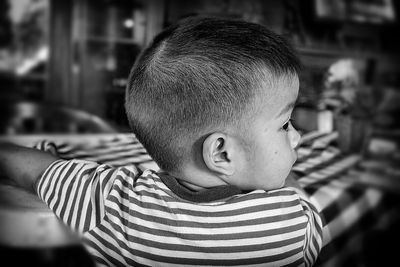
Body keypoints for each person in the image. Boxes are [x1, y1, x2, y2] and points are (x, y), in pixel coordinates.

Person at [0, 16, 323, 266]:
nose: (296, 138)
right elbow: (289, 190)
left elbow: (34, 170)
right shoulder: (291, 225)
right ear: (221, 153)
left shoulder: (108, 200)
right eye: (285, 124)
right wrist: (282, 168)